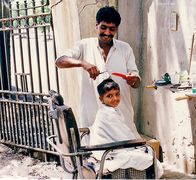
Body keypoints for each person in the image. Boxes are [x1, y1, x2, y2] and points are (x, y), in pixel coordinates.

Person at [55, 6, 140, 138]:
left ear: (117, 29)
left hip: (122, 117)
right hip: (93, 117)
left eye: (112, 29)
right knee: (96, 154)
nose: (107, 32)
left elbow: (136, 82)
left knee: (126, 153)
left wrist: (133, 79)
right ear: (96, 25)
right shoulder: (84, 45)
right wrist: (83, 63)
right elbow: (59, 61)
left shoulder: (125, 49)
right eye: (103, 27)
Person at [88, 78, 163, 177]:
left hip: (107, 150)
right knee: (146, 155)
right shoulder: (107, 115)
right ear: (101, 99)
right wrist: (137, 145)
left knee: (146, 150)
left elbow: (120, 133)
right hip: (108, 152)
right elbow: (121, 137)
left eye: (117, 94)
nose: (115, 98)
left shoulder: (110, 111)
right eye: (109, 96)